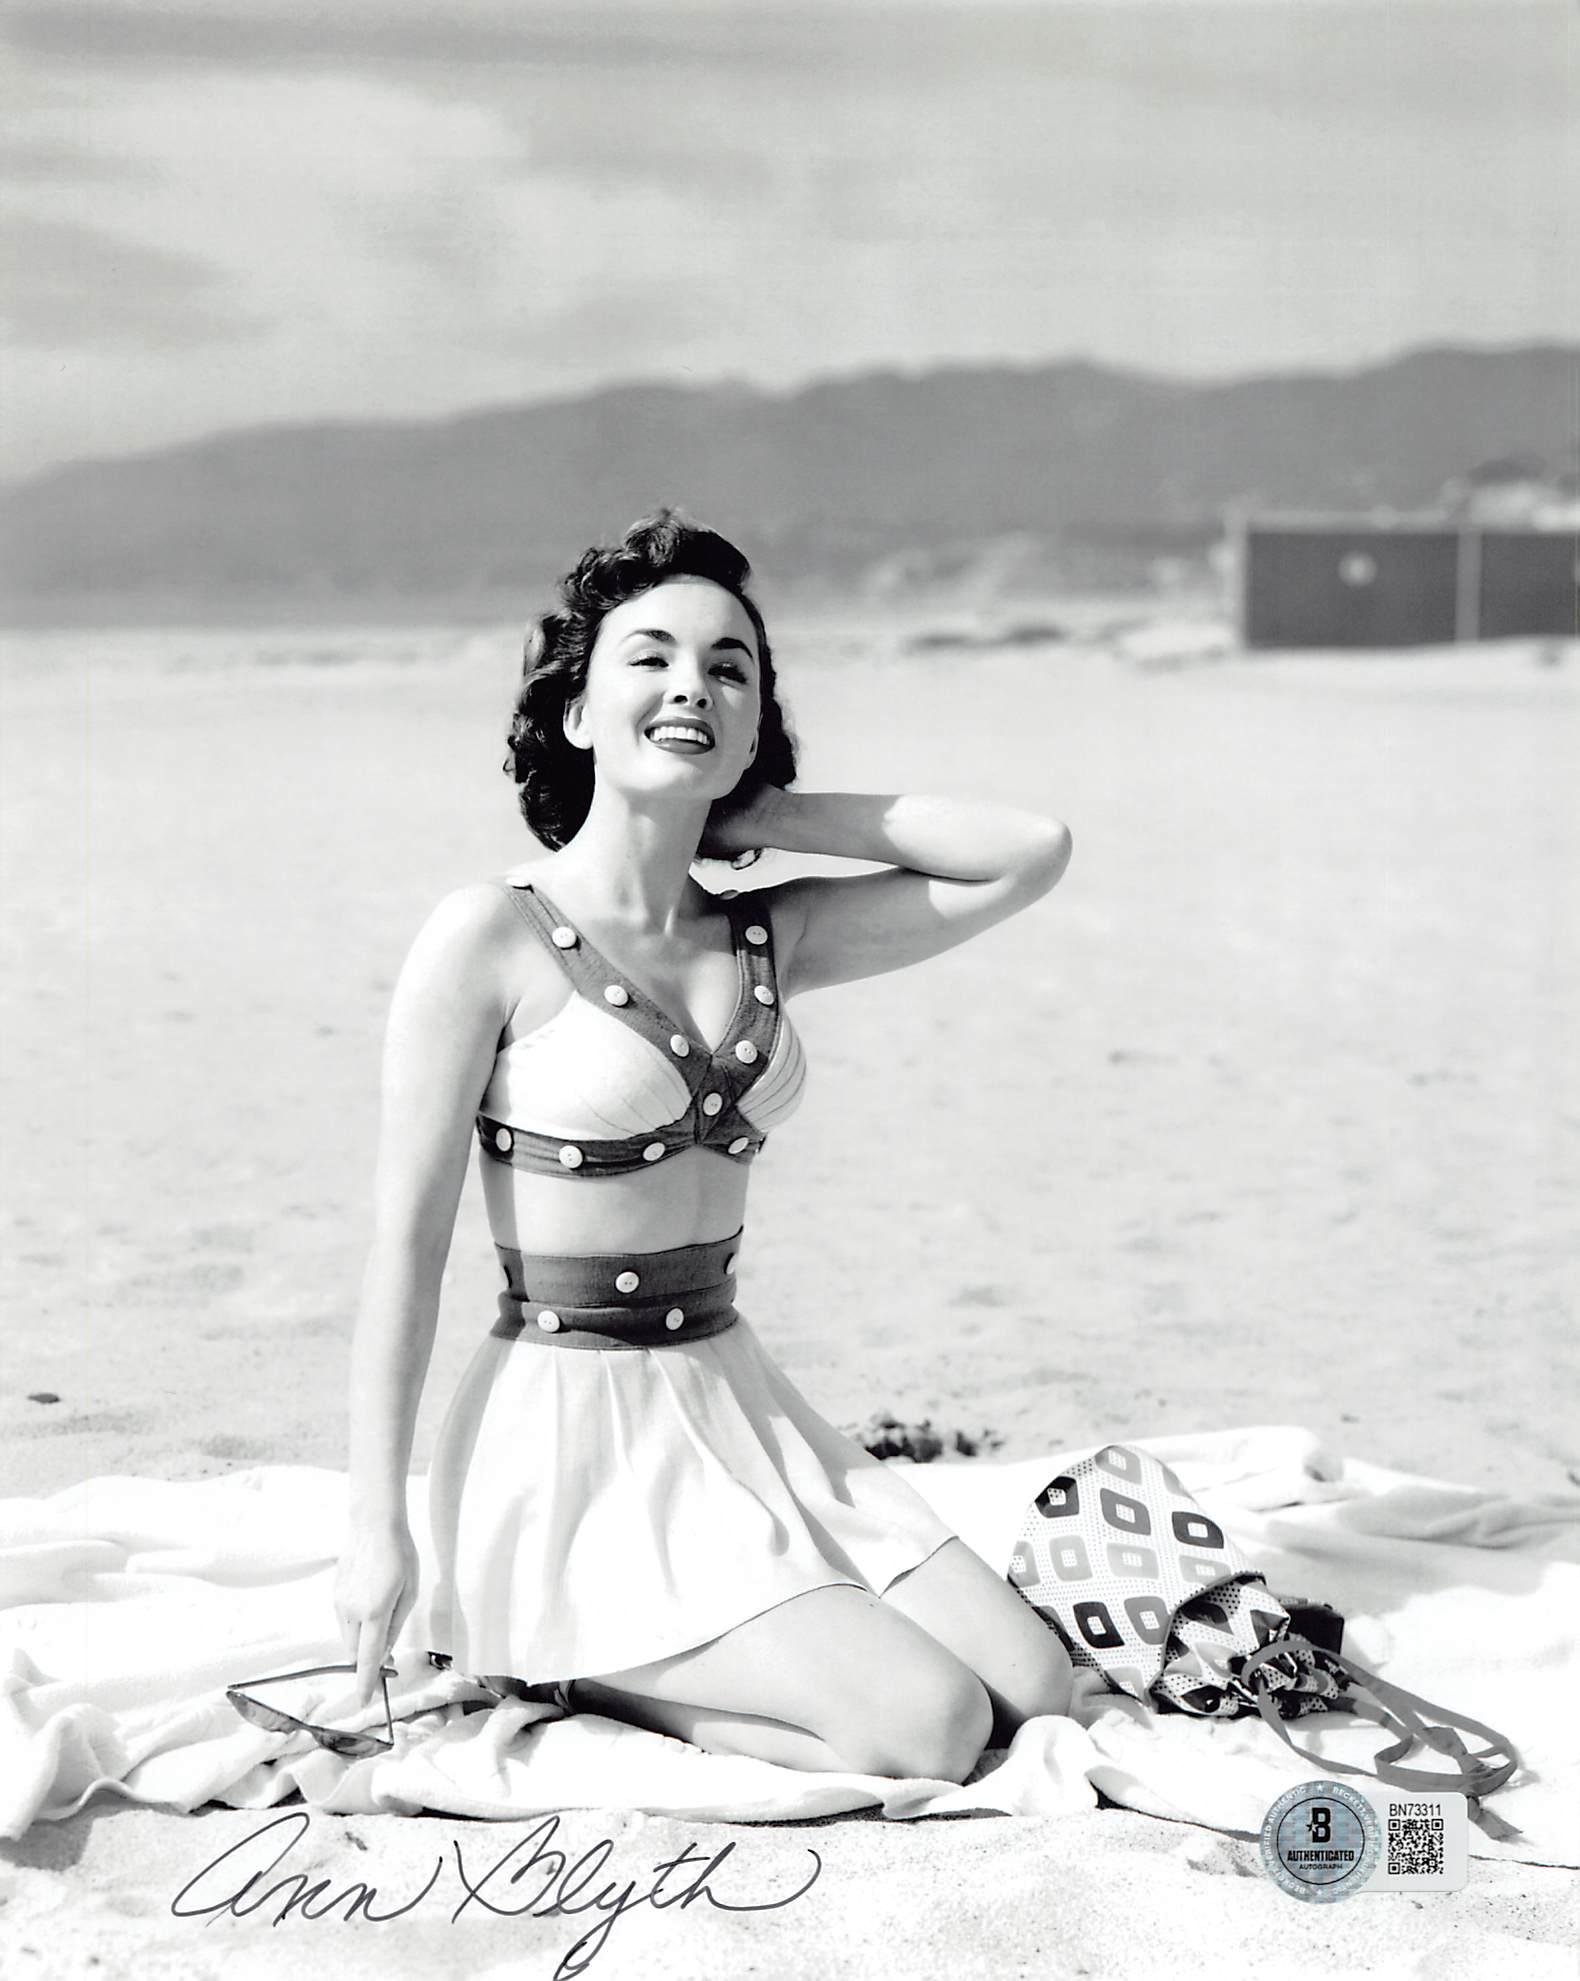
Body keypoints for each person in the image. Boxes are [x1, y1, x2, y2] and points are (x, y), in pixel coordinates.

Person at [333, 510, 1076, 1785]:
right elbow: (403, 1248)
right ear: (576, 711)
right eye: (651, 657)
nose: (691, 683)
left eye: (728, 669)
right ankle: (564, 1660)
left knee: (1033, 1682)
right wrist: (374, 1527)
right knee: (932, 1726)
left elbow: (1027, 851)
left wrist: (765, 811)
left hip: (737, 1403)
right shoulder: (486, 936)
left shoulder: (767, 935)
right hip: (569, 1441)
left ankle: (643, 1648)